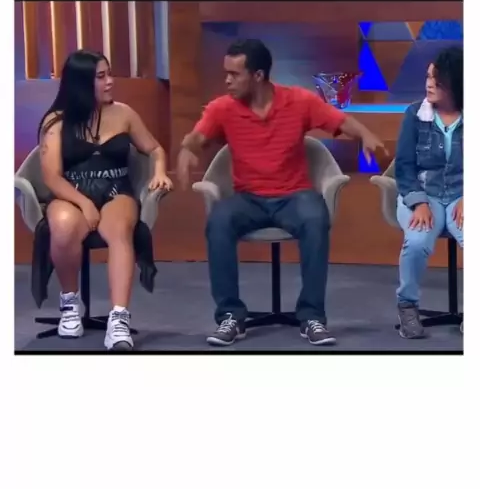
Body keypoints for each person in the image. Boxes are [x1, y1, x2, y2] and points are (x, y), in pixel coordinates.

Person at [177, 39, 387, 347]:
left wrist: (366, 135)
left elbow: (341, 121)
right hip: (248, 199)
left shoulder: (298, 101)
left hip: (294, 196)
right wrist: (187, 150)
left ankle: (312, 317)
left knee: (315, 218)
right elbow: (198, 136)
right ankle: (230, 316)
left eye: (234, 74)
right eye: (226, 74)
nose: (227, 81)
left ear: (258, 75)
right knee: (219, 221)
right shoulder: (223, 107)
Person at [38, 49, 173, 351]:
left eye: (109, 74)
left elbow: (154, 149)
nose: (110, 81)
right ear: (82, 83)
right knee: (63, 226)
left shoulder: (124, 113)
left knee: (120, 230)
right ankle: (70, 303)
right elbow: (52, 177)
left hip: (116, 188)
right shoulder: (56, 122)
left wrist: (160, 171)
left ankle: (119, 318)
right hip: (71, 191)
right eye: (101, 77)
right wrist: (84, 203)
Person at [395, 46, 463, 338]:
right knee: (417, 241)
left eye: (437, 79)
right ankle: (407, 306)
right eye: (428, 77)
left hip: (462, 195)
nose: (429, 84)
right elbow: (404, 167)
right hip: (424, 193)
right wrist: (418, 202)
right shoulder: (414, 114)